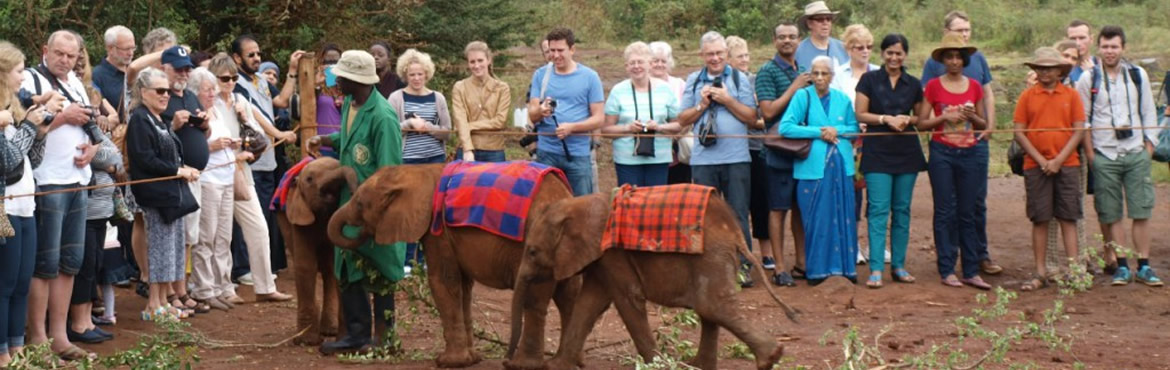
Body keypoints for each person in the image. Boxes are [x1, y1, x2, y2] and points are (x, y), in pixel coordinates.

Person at [305, 50, 405, 354]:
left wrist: (373, 213)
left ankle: (384, 338)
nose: (336, 83)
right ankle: (357, 334)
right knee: (348, 264)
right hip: (349, 203)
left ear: (356, 80)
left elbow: (389, 173)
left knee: (381, 267)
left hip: (374, 207)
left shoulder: (383, 117)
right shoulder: (350, 103)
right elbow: (350, 138)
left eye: (341, 78)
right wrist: (326, 140)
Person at [19, 30, 99, 360]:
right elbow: (22, 125)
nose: (65, 60)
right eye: (59, 53)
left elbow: (86, 125)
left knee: (70, 263)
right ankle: (37, 338)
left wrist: (93, 149)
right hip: (46, 182)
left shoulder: (77, 82)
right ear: (45, 50)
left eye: (71, 55)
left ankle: (60, 336)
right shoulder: (30, 80)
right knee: (45, 264)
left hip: (78, 180)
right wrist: (63, 117)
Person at [1076, 26, 1161, 287]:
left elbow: (1148, 111)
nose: (1109, 51)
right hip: (1105, 155)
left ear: (1123, 48)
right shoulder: (1088, 79)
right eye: (1105, 46)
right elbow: (1084, 122)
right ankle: (1122, 266)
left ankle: (1144, 265)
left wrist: (1149, 148)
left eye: (1114, 46)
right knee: (1111, 213)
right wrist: (1092, 156)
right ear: (1098, 47)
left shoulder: (1138, 75)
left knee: (1141, 210)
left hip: (1136, 151)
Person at [920, 11, 1002, 277]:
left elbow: (985, 101)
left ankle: (975, 262)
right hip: (943, 147)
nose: (955, 60)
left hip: (972, 147)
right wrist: (944, 117)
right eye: (950, 55)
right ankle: (947, 267)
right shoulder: (932, 76)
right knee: (946, 208)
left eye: (959, 55)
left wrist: (985, 123)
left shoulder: (977, 76)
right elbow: (923, 116)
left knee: (973, 205)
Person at [678, 31, 758, 286]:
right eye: (710, 54)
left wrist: (727, 100)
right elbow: (682, 119)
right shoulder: (693, 80)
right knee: (702, 216)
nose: (715, 58)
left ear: (726, 54)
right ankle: (706, 269)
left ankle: (742, 267)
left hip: (736, 158)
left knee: (737, 214)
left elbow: (750, 116)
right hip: (703, 160)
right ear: (702, 55)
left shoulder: (738, 78)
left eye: (719, 53)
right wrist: (701, 104)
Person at [212, 53, 293, 302]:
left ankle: (265, 286)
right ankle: (223, 287)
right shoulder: (208, 103)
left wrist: (244, 119)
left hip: (242, 172)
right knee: (221, 235)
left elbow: (258, 134)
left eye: (234, 78)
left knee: (258, 228)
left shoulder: (240, 100)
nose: (229, 82)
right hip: (217, 173)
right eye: (224, 78)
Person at [125, 67, 201, 321]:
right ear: (143, 92)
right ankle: (152, 305)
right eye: (159, 90)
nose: (165, 95)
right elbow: (143, 158)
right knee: (159, 248)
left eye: (167, 91)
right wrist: (178, 170)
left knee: (171, 249)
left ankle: (162, 301)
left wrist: (183, 168)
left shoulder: (159, 118)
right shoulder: (139, 118)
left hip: (171, 195)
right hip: (155, 194)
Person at [778, 55, 860, 286]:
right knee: (815, 220)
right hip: (811, 169)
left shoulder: (843, 99)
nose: (820, 78)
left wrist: (837, 129)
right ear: (810, 75)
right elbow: (786, 127)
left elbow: (853, 130)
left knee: (843, 216)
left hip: (841, 167)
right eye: (816, 73)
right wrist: (819, 132)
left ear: (832, 76)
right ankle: (817, 271)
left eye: (825, 73)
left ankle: (845, 268)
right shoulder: (802, 96)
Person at [853, 34, 927, 288]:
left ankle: (898, 265)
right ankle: (875, 269)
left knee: (902, 210)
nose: (894, 58)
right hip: (877, 152)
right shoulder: (869, 79)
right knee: (878, 210)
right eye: (889, 53)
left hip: (907, 152)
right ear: (882, 54)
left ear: (905, 55)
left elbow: (922, 118)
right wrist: (886, 119)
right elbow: (860, 112)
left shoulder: (914, 83)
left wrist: (907, 120)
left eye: (899, 53)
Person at [1013, 47, 1086, 291]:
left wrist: (1058, 160)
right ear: (1035, 71)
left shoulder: (1071, 95)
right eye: (1041, 68)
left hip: (1068, 164)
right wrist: (1042, 160)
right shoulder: (1027, 96)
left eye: (1050, 68)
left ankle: (1075, 271)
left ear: (1060, 71)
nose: (1045, 72)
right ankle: (1040, 272)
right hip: (1035, 165)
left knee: (1069, 217)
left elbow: (1078, 130)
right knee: (1040, 218)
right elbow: (1019, 132)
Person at [230, 35, 298, 286]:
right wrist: (278, 133)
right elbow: (253, 115)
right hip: (250, 158)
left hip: (268, 159)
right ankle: (243, 267)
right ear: (237, 58)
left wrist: (291, 72)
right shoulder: (235, 83)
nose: (257, 58)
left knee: (264, 216)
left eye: (258, 53)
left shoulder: (260, 80)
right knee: (248, 215)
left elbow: (279, 102)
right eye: (251, 55)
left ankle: (259, 266)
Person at [0, 40, 49, 368]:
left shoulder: (14, 109)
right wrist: (29, 127)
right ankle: (2, 350)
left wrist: (40, 131)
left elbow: (30, 159)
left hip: (27, 204)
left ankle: (18, 346)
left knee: (22, 281)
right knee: (4, 283)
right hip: (4, 210)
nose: (23, 79)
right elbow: (6, 161)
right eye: (19, 71)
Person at [69, 38, 120, 344]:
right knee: (84, 266)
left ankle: (87, 320)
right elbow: (103, 155)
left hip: (102, 207)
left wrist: (109, 157)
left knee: (95, 265)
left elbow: (112, 155)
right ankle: (78, 323)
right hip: (86, 205)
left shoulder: (96, 120)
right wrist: (108, 158)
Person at [756, 23, 810, 287]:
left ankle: (802, 263)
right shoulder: (767, 71)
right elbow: (767, 112)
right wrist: (795, 87)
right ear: (774, 40)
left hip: (803, 150)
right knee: (778, 208)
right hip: (778, 152)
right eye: (782, 37)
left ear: (799, 39)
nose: (787, 41)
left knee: (800, 208)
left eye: (791, 36)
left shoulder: (804, 70)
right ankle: (779, 267)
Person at [387, 48, 450, 272]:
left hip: (434, 159)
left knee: (432, 209)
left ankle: (426, 260)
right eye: (412, 74)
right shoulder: (396, 98)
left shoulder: (438, 98)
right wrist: (409, 125)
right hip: (408, 160)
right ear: (405, 74)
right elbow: (390, 128)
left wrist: (428, 127)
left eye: (420, 74)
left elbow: (447, 132)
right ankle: (406, 261)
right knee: (409, 209)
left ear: (427, 74)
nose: (416, 78)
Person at [527, 28, 605, 196]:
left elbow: (599, 118)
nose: (555, 55)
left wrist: (572, 127)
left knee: (582, 207)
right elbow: (532, 114)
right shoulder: (541, 75)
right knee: (547, 207)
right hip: (546, 153)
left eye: (560, 50)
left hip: (578, 154)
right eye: (552, 50)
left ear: (572, 49)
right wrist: (540, 111)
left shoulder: (590, 77)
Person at [187, 65, 240, 310]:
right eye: (208, 90)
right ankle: (203, 287)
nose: (212, 94)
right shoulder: (193, 114)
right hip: (208, 179)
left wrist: (233, 144)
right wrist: (213, 146)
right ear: (196, 91)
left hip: (227, 177)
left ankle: (223, 285)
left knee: (223, 237)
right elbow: (190, 150)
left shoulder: (216, 111)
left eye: (213, 90)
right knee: (206, 237)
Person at [828, 24, 878, 265]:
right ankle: (854, 244)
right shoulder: (838, 75)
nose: (865, 51)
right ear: (848, 48)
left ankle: (875, 244)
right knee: (854, 195)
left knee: (878, 196)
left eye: (869, 46)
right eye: (859, 47)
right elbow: (836, 108)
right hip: (850, 143)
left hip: (877, 142)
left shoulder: (879, 72)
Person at [600, 41, 682, 187]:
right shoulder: (618, 91)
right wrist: (628, 128)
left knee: (656, 204)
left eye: (640, 62)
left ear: (650, 64)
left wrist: (659, 127)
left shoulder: (665, 89)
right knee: (630, 203)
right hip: (626, 160)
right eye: (632, 63)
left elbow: (678, 125)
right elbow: (606, 130)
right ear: (626, 66)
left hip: (659, 159)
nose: (636, 66)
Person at [451, 41, 512, 163]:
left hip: (494, 150)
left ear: (488, 60)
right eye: (472, 62)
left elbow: (500, 121)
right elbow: (460, 118)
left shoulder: (502, 88)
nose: (476, 65)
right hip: (467, 148)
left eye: (480, 60)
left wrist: (470, 125)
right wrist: (468, 149)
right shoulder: (460, 87)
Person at [648, 41, 691, 185]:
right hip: (649, 150)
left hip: (678, 152)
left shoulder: (680, 85)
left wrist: (675, 136)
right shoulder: (641, 84)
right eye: (655, 61)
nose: (659, 64)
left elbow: (689, 115)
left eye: (663, 61)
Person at [92, 26, 135, 118]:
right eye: (126, 49)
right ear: (110, 48)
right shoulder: (97, 76)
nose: (131, 53)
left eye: (133, 48)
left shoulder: (136, 71)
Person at [795, 1, 849, 70]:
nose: (825, 23)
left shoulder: (843, 48)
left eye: (828, 19)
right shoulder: (798, 51)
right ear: (809, 24)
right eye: (820, 19)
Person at [315, 43, 343, 159]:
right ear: (321, 63)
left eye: (336, 62)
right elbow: (305, 105)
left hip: (343, 145)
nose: (332, 66)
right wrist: (317, 83)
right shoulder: (316, 85)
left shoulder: (349, 86)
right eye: (328, 62)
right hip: (321, 146)